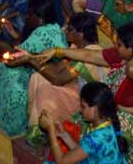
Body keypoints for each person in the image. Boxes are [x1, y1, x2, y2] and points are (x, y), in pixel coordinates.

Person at [31, 22, 133, 154]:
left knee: (99, 136)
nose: (116, 46)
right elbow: (88, 55)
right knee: (85, 122)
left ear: (132, 49)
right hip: (114, 110)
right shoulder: (121, 55)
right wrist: (57, 51)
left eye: (119, 45)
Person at [0, 0, 67, 136]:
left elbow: (16, 55)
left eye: (29, 14)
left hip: (42, 77)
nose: (26, 17)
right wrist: (14, 34)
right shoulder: (54, 27)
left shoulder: (42, 33)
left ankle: (13, 123)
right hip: (41, 72)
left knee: (8, 73)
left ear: (37, 17)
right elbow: (25, 50)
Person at [23, 13, 105, 146]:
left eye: (70, 29)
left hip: (88, 99)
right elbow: (57, 68)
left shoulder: (88, 55)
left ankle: (49, 131)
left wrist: (32, 62)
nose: (65, 31)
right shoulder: (76, 47)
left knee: (45, 91)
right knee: (37, 78)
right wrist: (30, 57)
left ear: (80, 35)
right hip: (75, 86)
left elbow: (58, 79)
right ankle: (39, 129)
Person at [38, 81, 128, 164]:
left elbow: (61, 161)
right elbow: (82, 151)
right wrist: (64, 134)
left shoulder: (96, 137)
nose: (80, 110)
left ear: (95, 108)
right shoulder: (107, 123)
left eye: (83, 106)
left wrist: (51, 130)